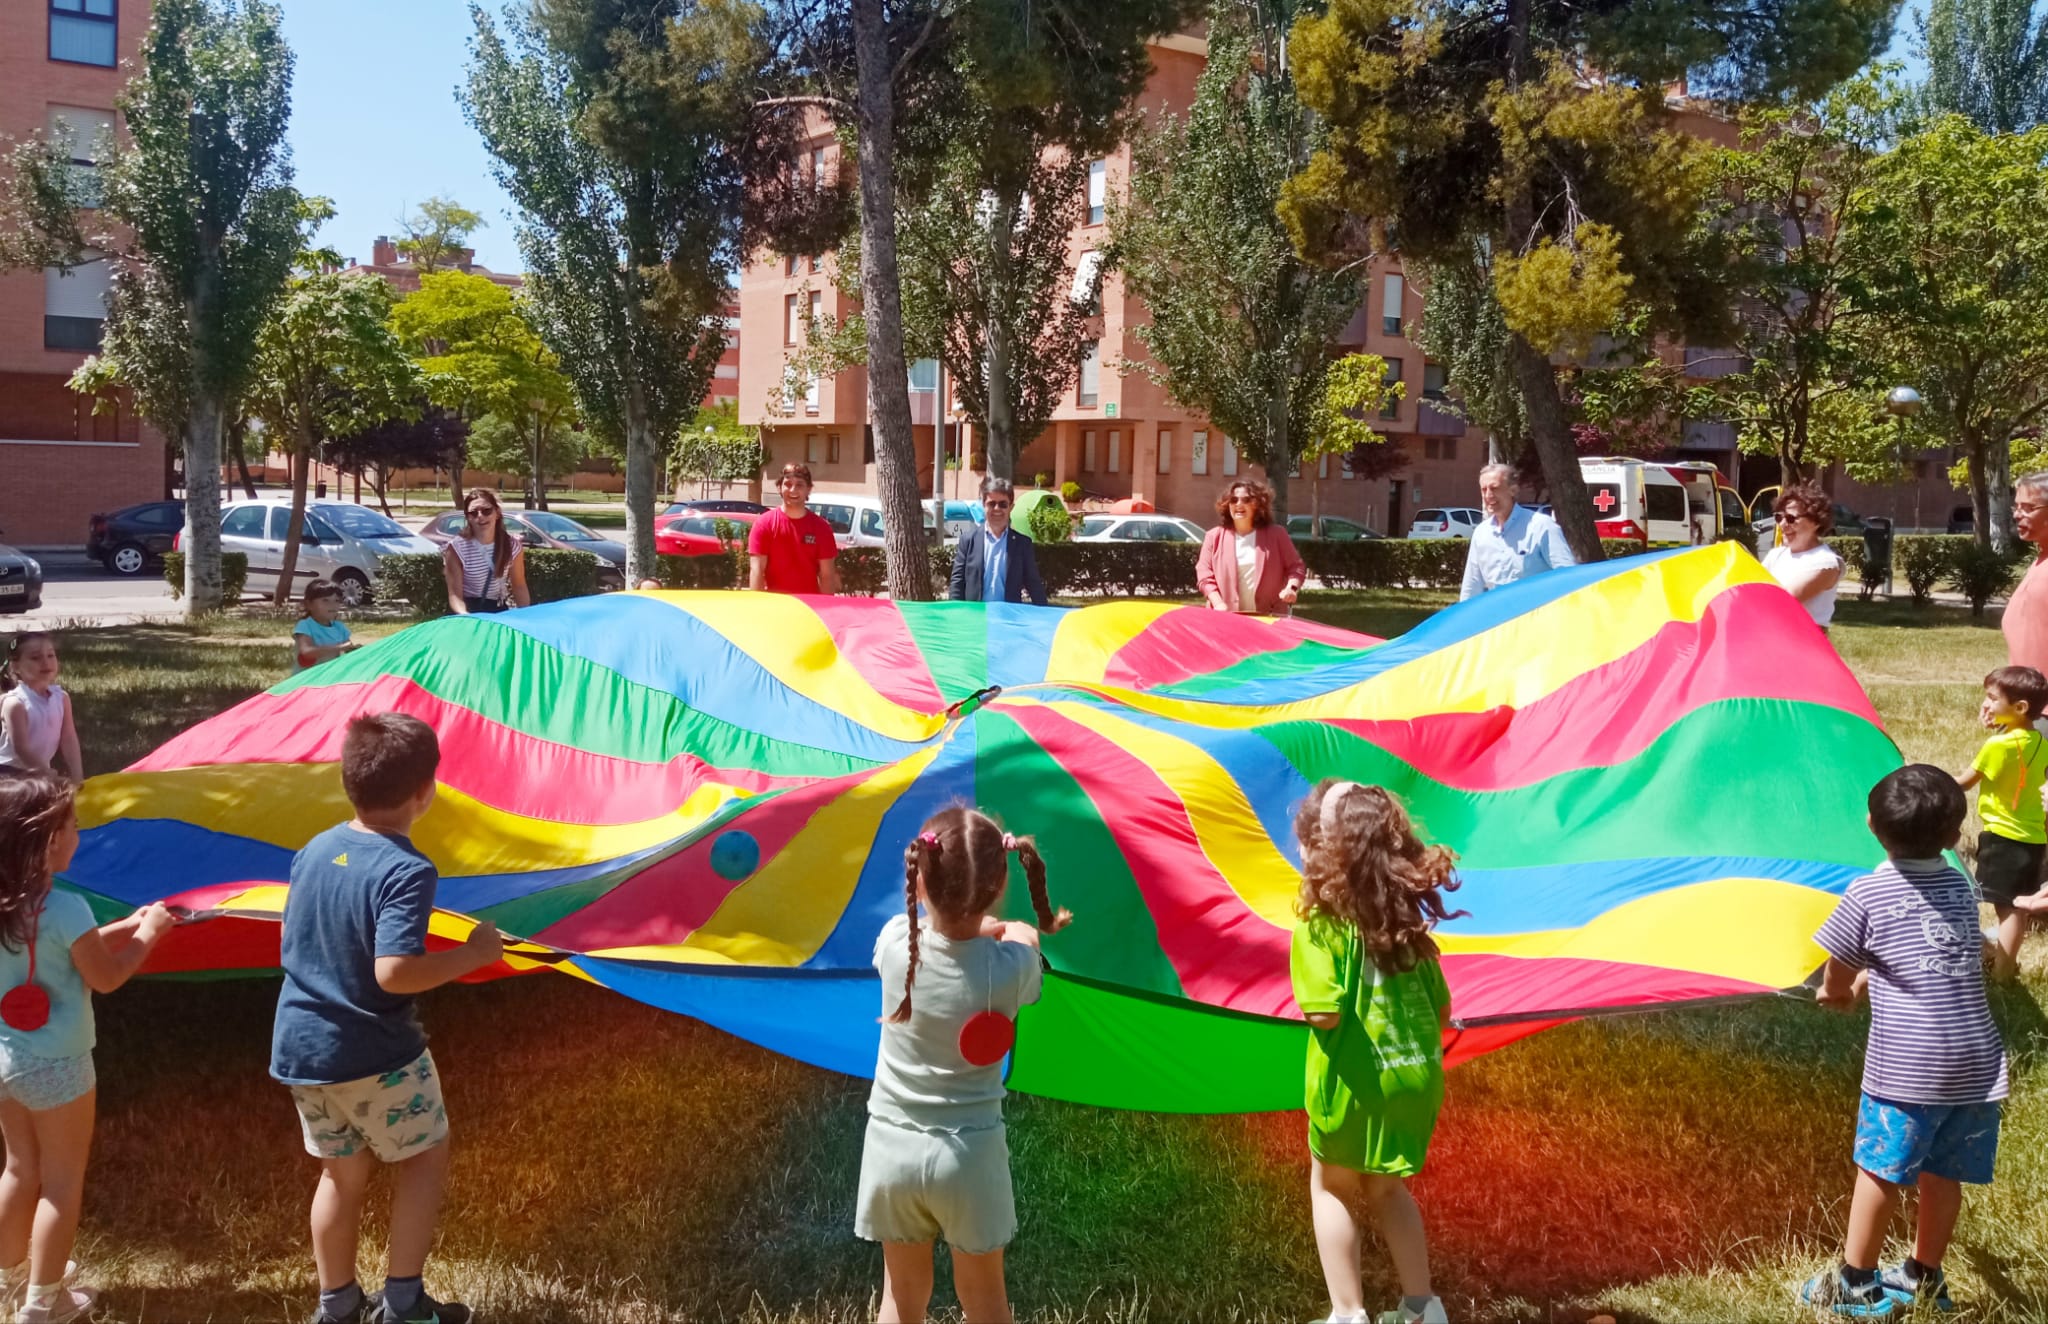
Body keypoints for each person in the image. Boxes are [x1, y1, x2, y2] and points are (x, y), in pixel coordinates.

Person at [271, 713, 504, 1324]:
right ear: (426, 792)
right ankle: (403, 1305)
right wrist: (472, 956)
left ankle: (337, 1306)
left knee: (341, 1175)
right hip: (373, 1051)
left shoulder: (315, 849)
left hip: (303, 1049)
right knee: (423, 1158)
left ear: (347, 782)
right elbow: (394, 972)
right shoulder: (406, 869)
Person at [1802, 765, 2008, 1317]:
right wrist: (1877, 976)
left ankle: (1856, 1282)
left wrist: (1837, 991)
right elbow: (1926, 955)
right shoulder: (1961, 884)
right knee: (1944, 1172)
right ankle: (1923, 1273)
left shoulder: (1867, 892)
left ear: (1871, 825)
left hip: (1910, 1069)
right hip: (1977, 1064)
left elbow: (1840, 963)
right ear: (1952, 837)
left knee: (1881, 1168)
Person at [857, 806, 1072, 1324]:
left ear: (921, 883)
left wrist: (974, 930)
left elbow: (937, 938)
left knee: (901, 1297)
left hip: (892, 1153)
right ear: (999, 888)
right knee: (985, 1302)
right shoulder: (1010, 969)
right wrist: (1006, 927)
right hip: (968, 1158)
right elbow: (1025, 939)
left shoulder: (894, 949)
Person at [0, 774, 176, 1323]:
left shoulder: (10, 906)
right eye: (74, 826)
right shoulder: (68, 908)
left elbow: (62, 949)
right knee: (60, 1182)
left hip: (7, 1060)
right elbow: (104, 977)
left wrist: (123, 925)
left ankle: (6, 1282)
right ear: (48, 841)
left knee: (17, 1170)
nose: (79, 836)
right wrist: (149, 935)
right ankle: (42, 1305)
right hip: (60, 1069)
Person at [1291, 781, 1461, 1324]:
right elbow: (1439, 1011)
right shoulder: (1409, 926)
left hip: (1354, 1089)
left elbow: (1324, 1013)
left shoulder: (1320, 927)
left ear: (1323, 853)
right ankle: (1423, 1308)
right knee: (1388, 1188)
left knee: (1332, 1186)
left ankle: (1348, 1313)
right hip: (1414, 1078)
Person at [1955, 666, 2048, 982]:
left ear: (2020, 708)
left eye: (1993, 699)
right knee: (2017, 907)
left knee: (2007, 909)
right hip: (2033, 837)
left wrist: (1923, 780)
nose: (1986, 705)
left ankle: (2003, 975)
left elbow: (1962, 784)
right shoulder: (2039, 740)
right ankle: (2004, 967)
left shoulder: (1998, 747)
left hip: (2003, 838)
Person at [1458, 463, 1575, 601]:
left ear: (1512, 490)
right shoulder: (1481, 533)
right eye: (1484, 489)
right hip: (1499, 616)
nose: (1488, 495)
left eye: (1494, 488)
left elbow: (1567, 575)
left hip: (1537, 615)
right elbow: (1472, 586)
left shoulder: (1542, 526)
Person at [1196, 480, 1307, 616]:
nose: (1239, 504)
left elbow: (1296, 566)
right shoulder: (1213, 536)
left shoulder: (1277, 534)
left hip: (1269, 620)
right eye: (1234, 500)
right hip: (1224, 620)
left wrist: (1291, 588)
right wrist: (1218, 603)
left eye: (1246, 500)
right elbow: (1204, 575)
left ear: (1257, 504)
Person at [948, 478, 1048, 606]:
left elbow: (1033, 583)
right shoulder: (968, 541)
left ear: (1011, 507)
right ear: (983, 505)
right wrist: (955, 612)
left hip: (1008, 618)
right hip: (975, 617)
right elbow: (957, 582)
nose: (997, 509)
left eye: (1003, 504)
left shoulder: (1022, 544)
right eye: (991, 503)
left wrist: (1044, 615)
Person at [748, 463, 840, 595]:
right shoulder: (763, 524)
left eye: (799, 485)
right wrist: (759, 607)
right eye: (788, 484)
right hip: (775, 606)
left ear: (808, 489)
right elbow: (757, 570)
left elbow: (827, 576)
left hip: (809, 608)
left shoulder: (822, 528)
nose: (793, 490)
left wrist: (826, 611)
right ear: (779, 488)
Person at [1762, 482, 1843, 631]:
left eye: (1791, 519)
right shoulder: (1776, 555)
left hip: (1804, 644)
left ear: (1816, 522)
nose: (1783, 525)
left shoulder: (1826, 563)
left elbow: (1785, 601)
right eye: (1779, 518)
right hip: (1771, 636)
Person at [0, 636, 80, 784]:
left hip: (39, 772)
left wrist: (77, 775)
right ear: (16, 666)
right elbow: (21, 748)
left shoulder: (61, 698)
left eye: (50, 655)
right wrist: (48, 774)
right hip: (9, 775)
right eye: (35, 658)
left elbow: (69, 738)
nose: (46, 662)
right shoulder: (16, 703)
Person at [439, 488, 530, 616]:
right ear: (468, 517)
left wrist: (525, 614)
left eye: (487, 511)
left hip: (498, 609)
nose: (480, 516)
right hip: (469, 610)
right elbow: (455, 595)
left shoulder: (512, 545)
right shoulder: (455, 549)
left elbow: (519, 585)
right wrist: (466, 616)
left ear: (497, 513)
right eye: (473, 513)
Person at [2004, 471, 2048, 673]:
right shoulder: (2040, 560)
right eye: (2017, 506)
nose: (2016, 514)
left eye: (2029, 508)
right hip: (2028, 696)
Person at [293, 581, 358, 675]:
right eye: (325, 600)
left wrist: (357, 650)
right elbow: (307, 652)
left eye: (336, 600)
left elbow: (348, 650)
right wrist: (339, 647)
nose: (332, 605)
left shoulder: (340, 627)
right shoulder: (305, 625)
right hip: (307, 680)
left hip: (329, 677)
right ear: (309, 604)